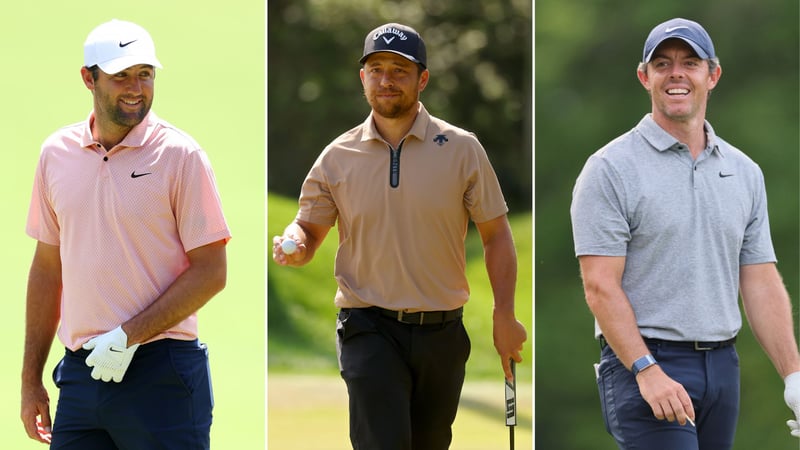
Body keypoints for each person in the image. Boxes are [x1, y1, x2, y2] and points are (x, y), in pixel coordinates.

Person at [272, 22, 527, 450]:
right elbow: (309, 228)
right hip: (367, 326)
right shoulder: (337, 156)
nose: (386, 80)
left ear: (422, 79)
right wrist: (294, 244)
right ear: (363, 78)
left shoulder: (462, 148)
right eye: (376, 69)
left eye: (399, 70)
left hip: (442, 333)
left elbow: (497, 235)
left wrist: (504, 315)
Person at [570, 17, 800, 449]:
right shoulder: (610, 168)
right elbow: (599, 285)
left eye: (690, 62)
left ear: (712, 75)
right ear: (645, 77)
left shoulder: (745, 172)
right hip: (644, 364)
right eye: (662, 63)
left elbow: (760, 279)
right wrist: (646, 370)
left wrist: (794, 376)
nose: (676, 73)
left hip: (722, 368)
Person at [20, 19, 230, 449]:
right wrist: (30, 382)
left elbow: (211, 271)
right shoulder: (55, 154)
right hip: (80, 377)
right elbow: (47, 268)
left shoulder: (181, 156)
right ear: (88, 78)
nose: (136, 87)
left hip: (162, 375)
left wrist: (127, 335)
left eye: (145, 74)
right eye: (120, 76)